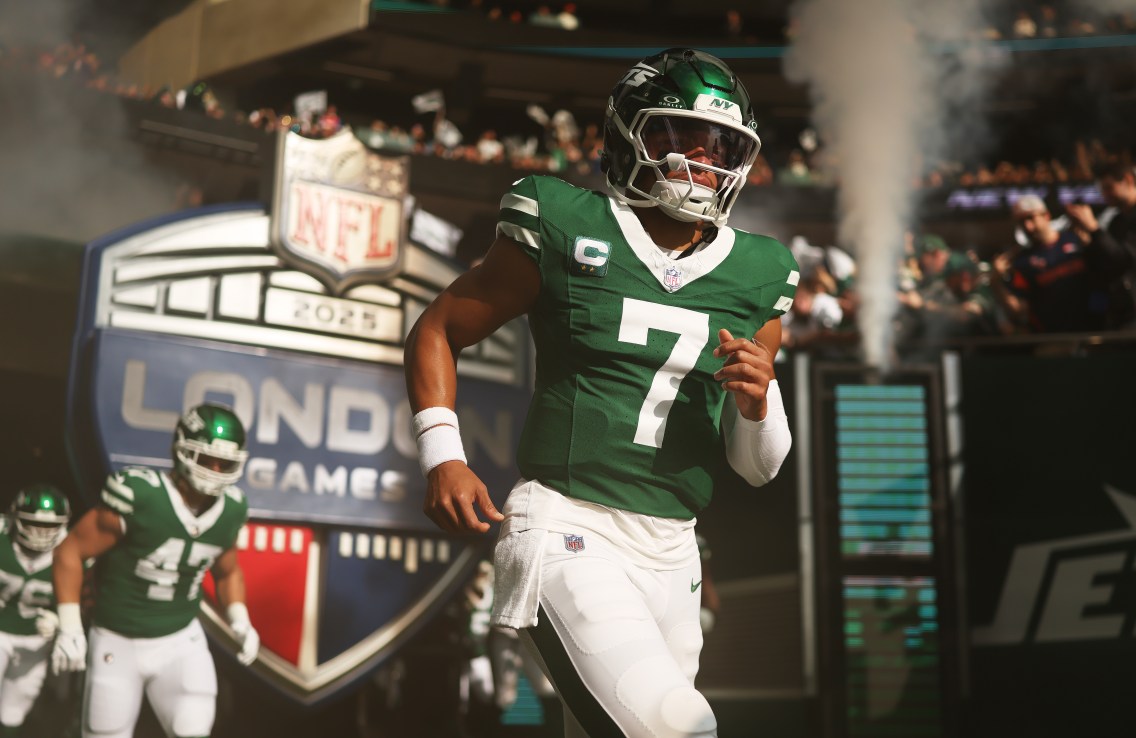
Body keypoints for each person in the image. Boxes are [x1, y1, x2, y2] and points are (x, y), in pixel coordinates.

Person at [404, 48, 797, 737]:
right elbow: (438, 328)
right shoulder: (564, 221)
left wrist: (759, 405)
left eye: (721, 146)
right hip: (569, 524)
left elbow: (759, 466)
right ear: (628, 134)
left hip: (676, 551)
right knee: (678, 727)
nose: (704, 160)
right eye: (685, 137)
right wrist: (443, 455)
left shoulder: (760, 271)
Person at [51, 403, 259, 738]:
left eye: (225, 463)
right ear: (182, 450)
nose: (215, 471)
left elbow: (228, 572)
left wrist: (239, 619)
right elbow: (70, 552)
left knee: (193, 728)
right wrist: (70, 626)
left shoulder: (232, 509)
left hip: (180, 638)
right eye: (207, 459)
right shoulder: (141, 495)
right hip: (117, 637)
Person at [0, 485, 70, 737]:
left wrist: (60, 619)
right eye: (33, 524)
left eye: (50, 526)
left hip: (35, 641)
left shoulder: (72, 550)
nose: (41, 533)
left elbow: (88, 599)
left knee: (16, 704)